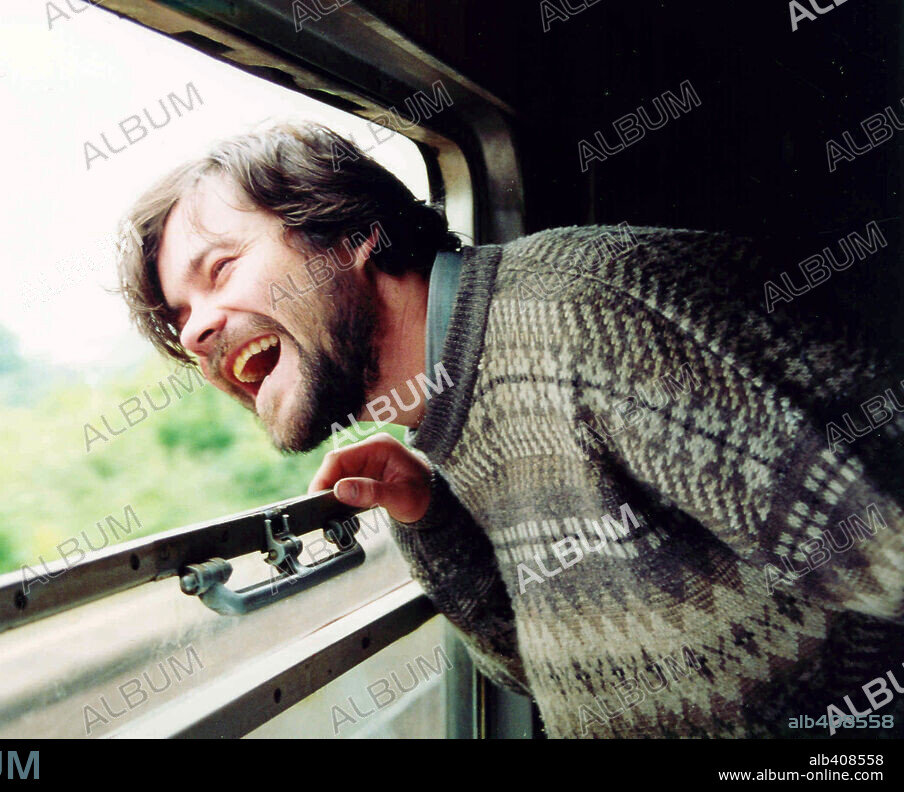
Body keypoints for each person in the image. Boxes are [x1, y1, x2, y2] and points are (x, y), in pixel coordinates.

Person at [116, 121, 904, 738]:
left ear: (351, 234)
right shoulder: (452, 415)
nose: (194, 334)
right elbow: (568, 676)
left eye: (220, 270)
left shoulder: (590, 317)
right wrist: (430, 520)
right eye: (180, 318)